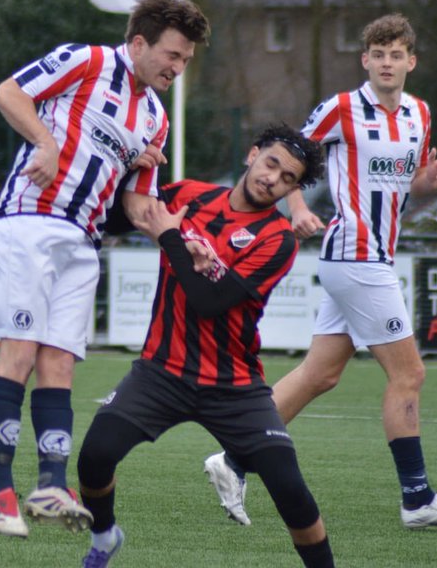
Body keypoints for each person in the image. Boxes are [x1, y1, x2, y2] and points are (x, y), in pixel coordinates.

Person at [203, 13, 437, 530]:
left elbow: (408, 184)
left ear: (411, 62)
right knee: (409, 374)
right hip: (355, 255)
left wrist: (430, 181)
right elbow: (285, 156)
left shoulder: (419, 114)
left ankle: (234, 459)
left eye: (396, 55)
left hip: (367, 259)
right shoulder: (342, 108)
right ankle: (417, 499)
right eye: (378, 54)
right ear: (365, 61)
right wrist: (296, 206)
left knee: (320, 374)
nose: (387, 63)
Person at [0, 0, 211, 538]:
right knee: (19, 354)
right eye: (172, 55)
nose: (178, 68)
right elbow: (8, 93)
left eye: (185, 60)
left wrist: (182, 237)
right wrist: (44, 141)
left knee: (59, 363)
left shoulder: (154, 118)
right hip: (28, 221)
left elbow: (137, 203)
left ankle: (52, 486)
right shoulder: (86, 60)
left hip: (84, 242)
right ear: (138, 43)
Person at [75, 125, 334, 568]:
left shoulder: (278, 239)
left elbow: (210, 302)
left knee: (290, 490)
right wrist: (128, 176)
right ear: (252, 155)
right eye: (271, 163)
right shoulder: (190, 195)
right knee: (94, 457)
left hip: (234, 387)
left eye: (288, 178)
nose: (273, 178)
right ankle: (103, 537)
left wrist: (171, 238)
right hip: (161, 372)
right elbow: (118, 217)